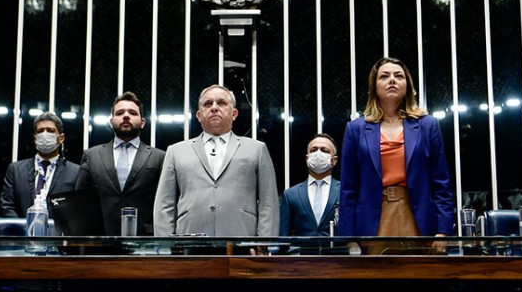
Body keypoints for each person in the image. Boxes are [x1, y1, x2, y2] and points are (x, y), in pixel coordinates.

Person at [338, 57, 454, 247]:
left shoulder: (427, 125)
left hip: (419, 218)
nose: (392, 80)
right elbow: (349, 189)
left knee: (418, 275)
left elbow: (441, 183)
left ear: (407, 85)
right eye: (384, 76)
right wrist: (349, 238)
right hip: (372, 221)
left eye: (398, 76)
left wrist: (443, 231)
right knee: (376, 276)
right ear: (374, 86)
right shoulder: (356, 129)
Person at [153, 84, 279, 237]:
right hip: (189, 242)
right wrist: (166, 246)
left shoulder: (257, 149)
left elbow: (269, 203)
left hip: (242, 239)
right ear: (199, 115)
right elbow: (164, 204)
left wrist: (265, 244)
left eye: (221, 103)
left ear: (234, 113)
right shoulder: (176, 151)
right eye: (208, 104)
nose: (214, 107)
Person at [74, 92, 165, 235]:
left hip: (144, 240)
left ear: (142, 122)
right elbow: (80, 202)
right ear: (111, 122)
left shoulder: (159, 157)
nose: (126, 116)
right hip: (100, 239)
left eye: (133, 113)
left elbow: (165, 202)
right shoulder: (92, 156)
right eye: (120, 113)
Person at [0, 112, 79, 218]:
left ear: (61, 138)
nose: (44, 134)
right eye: (40, 131)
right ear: (35, 138)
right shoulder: (16, 170)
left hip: (59, 233)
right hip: (22, 232)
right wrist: (22, 229)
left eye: (50, 130)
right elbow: (7, 207)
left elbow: (78, 209)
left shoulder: (75, 172)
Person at [279, 133, 340, 236]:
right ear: (307, 158)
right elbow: (284, 235)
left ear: (334, 160)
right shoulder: (290, 195)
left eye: (324, 150)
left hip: (335, 251)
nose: (318, 154)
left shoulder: (345, 192)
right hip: (302, 251)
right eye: (313, 150)